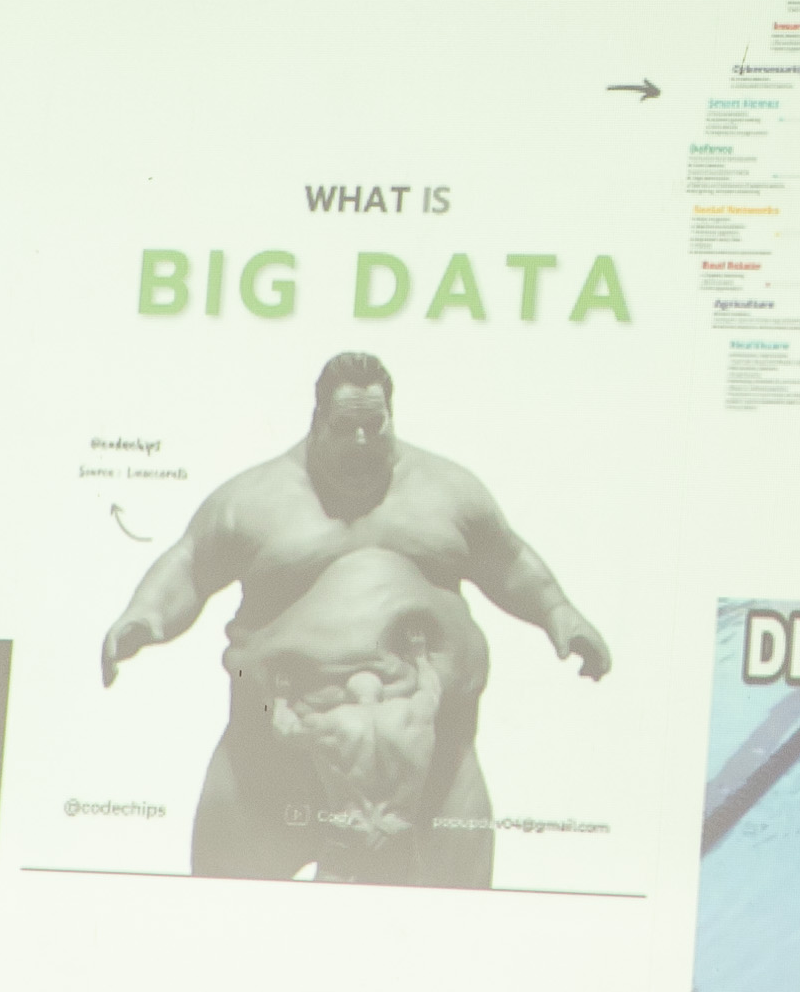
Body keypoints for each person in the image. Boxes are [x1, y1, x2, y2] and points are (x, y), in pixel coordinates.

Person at [98, 351, 609, 885]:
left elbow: (507, 561)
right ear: (317, 421)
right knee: (229, 908)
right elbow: (190, 565)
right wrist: (145, 614)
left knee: (451, 918)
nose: (362, 441)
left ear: (391, 417)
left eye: (374, 426)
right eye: (346, 428)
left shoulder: (447, 491)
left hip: (432, 763)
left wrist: (559, 612)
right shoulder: (256, 499)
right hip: (272, 759)